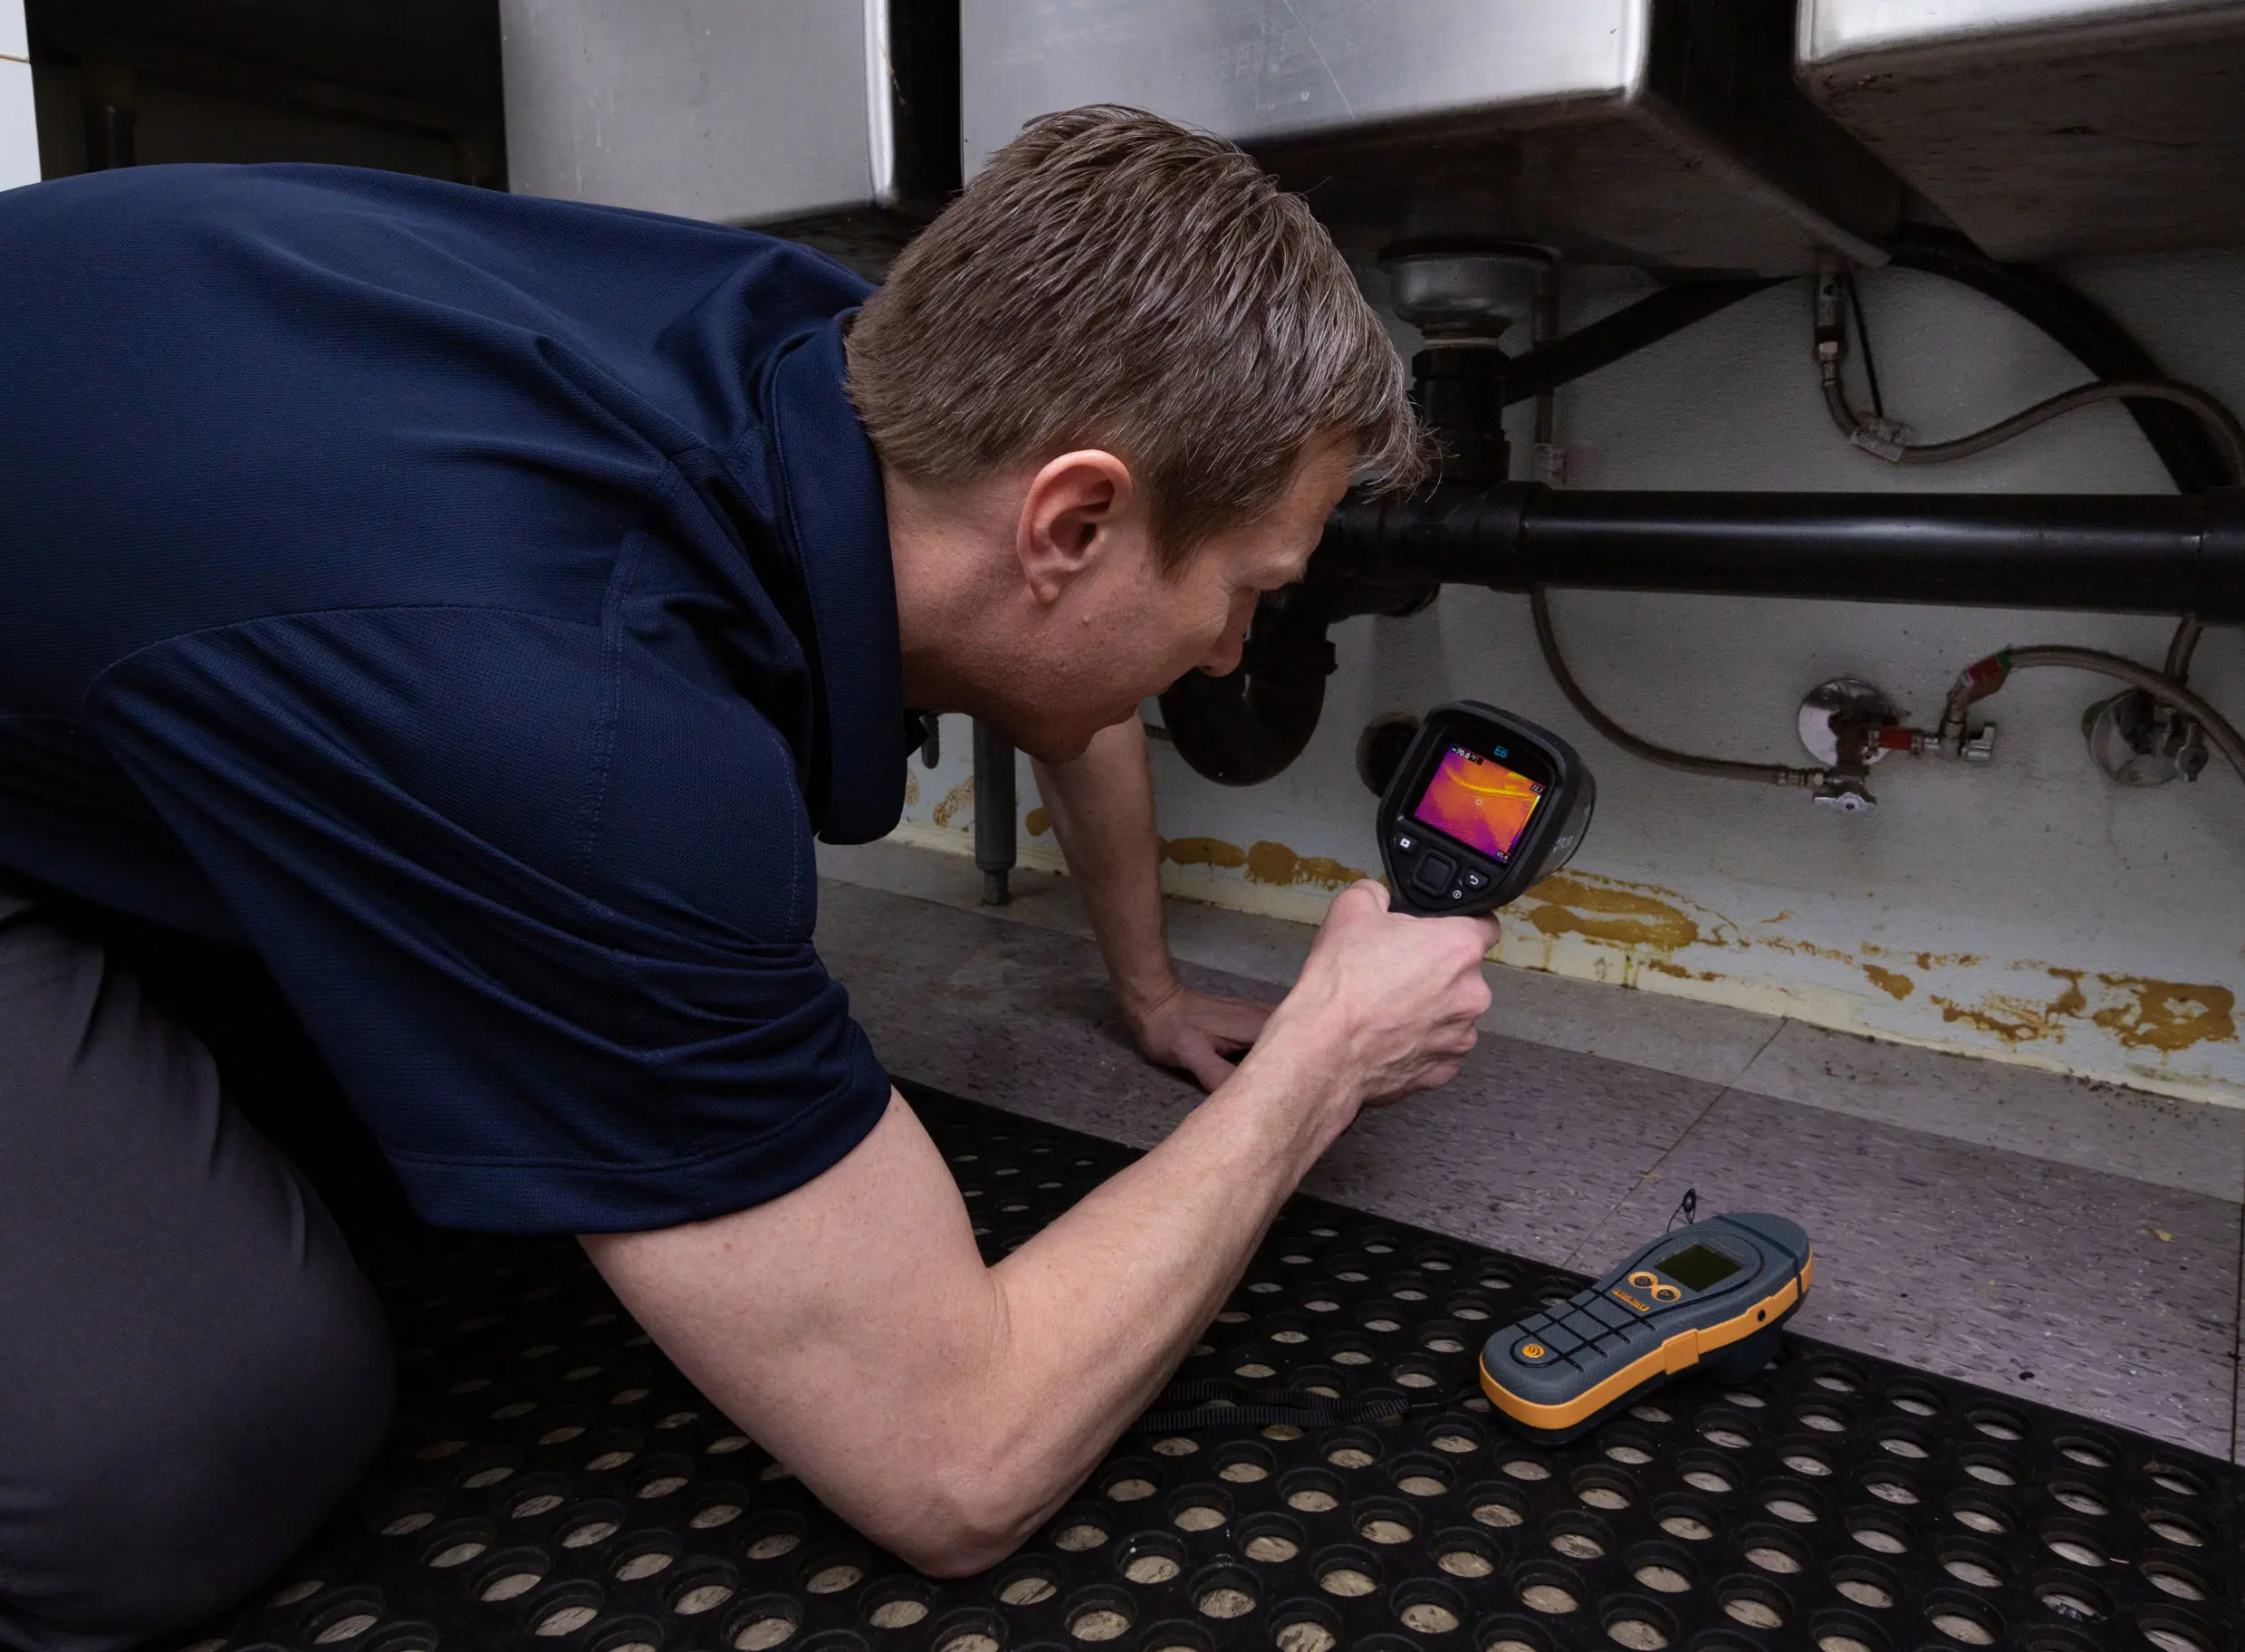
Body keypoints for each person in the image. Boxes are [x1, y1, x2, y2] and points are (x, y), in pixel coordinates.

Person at [0, 105, 1498, 1648]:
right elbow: (956, 1464)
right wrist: (1324, 1061)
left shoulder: (841, 369)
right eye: (1248, 594)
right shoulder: (597, 742)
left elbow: (1065, 669)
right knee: (180, 1455)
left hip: (100, 526)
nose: (1231, 655)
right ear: (1076, 518)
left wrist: (1153, 988)